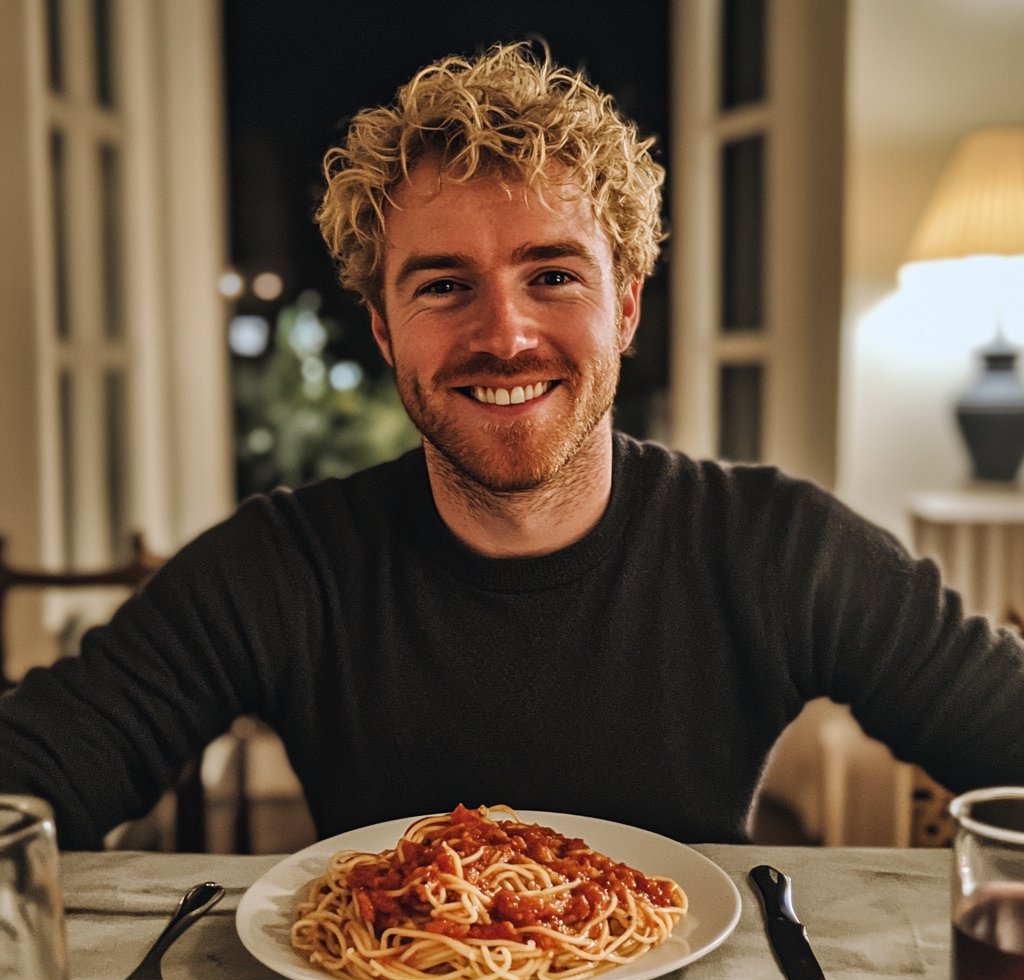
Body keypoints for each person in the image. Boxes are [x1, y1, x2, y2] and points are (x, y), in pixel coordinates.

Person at [1, 43, 1022, 851]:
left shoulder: (774, 546)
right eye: (444, 285)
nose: (505, 335)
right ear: (384, 329)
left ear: (625, 305)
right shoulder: (284, 566)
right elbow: (34, 777)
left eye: (552, 276)